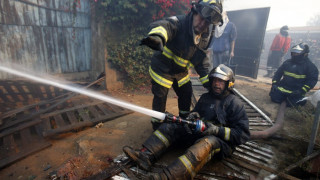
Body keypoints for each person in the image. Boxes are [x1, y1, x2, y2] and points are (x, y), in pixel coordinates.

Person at [123, 64, 250, 180]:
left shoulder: (235, 104)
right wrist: (193, 115)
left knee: (207, 143)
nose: (217, 84)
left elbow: (243, 134)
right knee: (172, 125)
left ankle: (168, 177)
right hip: (200, 133)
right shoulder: (206, 98)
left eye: (221, 81)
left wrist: (217, 130)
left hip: (220, 143)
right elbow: (197, 113)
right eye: (215, 80)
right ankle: (145, 156)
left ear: (229, 83)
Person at [140, 0, 223, 130]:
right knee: (160, 96)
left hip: (180, 72)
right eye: (201, 19)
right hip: (162, 68)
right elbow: (165, 26)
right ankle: (157, 125)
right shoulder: (180, 23)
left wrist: (208, 82)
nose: (202, 25)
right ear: (194, 12)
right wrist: (157, 36)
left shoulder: (203, 37)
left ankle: (184, 120)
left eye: (207, 22)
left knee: (186, 93)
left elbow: (201, 61)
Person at [269, 43, 319, 107]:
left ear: (305, 54)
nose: (294, 55)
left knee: (294, 104)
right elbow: (278, 74)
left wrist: (301, 91)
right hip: (283, 88)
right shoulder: (287, 63)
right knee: (274, 97)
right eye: (293, 53)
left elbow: (312, 80)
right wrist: (275, 84)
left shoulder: (310, 66)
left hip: (297, 91)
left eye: (297, 53)